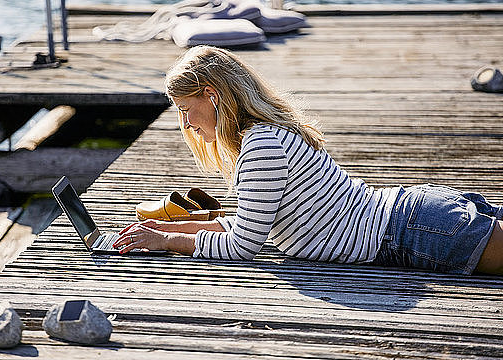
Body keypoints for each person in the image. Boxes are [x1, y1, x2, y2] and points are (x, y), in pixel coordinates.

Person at [113, 45, 503, 275]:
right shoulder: (263, 135)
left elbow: (242, 247)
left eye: (185, 109)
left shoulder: (261, 146)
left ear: (212, 95)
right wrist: (185, 224)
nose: (185, 123)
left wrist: (166, 239)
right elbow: (251, 225)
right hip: (415, 215)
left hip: (414, 231)